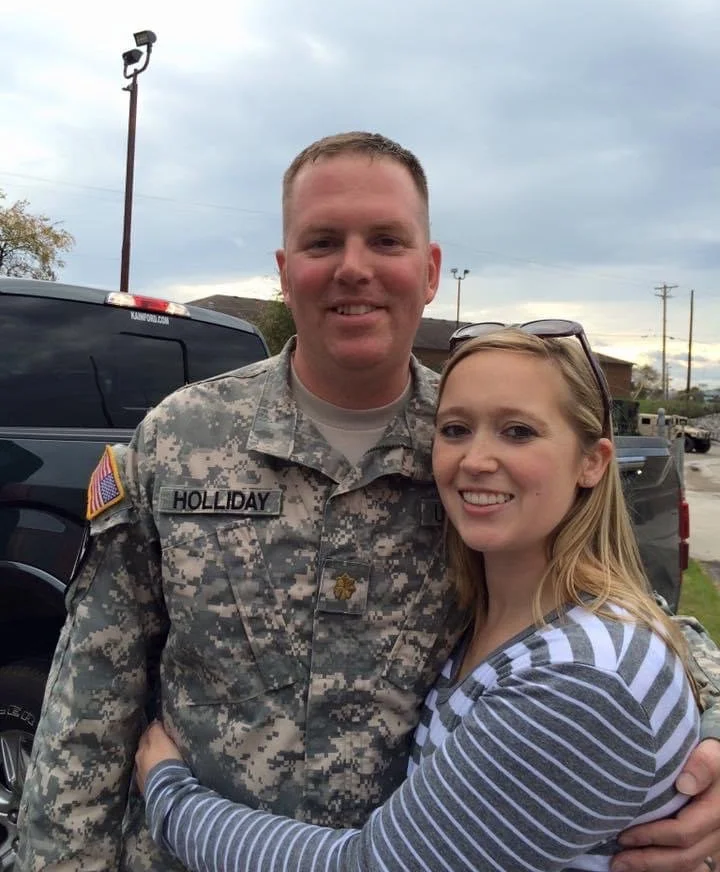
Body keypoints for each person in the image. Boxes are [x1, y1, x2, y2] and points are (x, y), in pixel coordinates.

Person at [17, 132, 720, 872]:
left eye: (386, 240)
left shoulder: (467, 446)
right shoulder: (180, 436)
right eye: (323, 242)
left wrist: (707, 736)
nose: (354, 268)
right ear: (287, 274)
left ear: (429, 270)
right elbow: (91, 688)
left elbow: (617, 616)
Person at [132, 322, 702, 870]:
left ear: (592, 462)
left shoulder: (583, 680)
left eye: (518, 431)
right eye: (455, 429)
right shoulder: (490, 617)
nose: (476, 459)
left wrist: (170, 797)